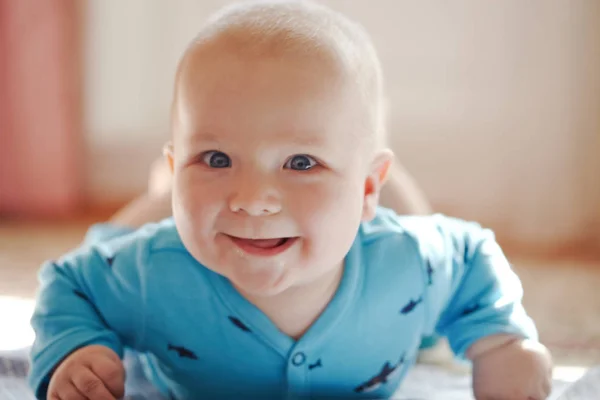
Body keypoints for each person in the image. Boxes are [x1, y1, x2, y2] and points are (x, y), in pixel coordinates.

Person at [28, 1, 552, 399]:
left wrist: (501, 341)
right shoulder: (149, 271)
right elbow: (70, 283)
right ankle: (166, 193)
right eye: (214, 158)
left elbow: (471, 256)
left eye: (301, 162)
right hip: (165, 229)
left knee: (408, 215)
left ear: (368, 187)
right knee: (141, 224)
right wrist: (77, 350)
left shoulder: (410, 261)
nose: (253, 200)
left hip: (372, 222)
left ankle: (338, 172)